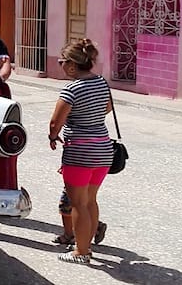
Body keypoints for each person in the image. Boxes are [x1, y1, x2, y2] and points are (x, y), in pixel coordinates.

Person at [48, 38, 113, 264]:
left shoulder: (72, 89)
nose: (61, 65)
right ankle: (86, 247)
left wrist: (53, 137)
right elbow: (107, 107)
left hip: (79, 152)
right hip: (103, 149)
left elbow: (56, 123)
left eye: (62, 61)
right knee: (91, 200)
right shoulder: (102, 83)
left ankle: (81, 252)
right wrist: (92, 119)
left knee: (78, 203)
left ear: (73, 65)